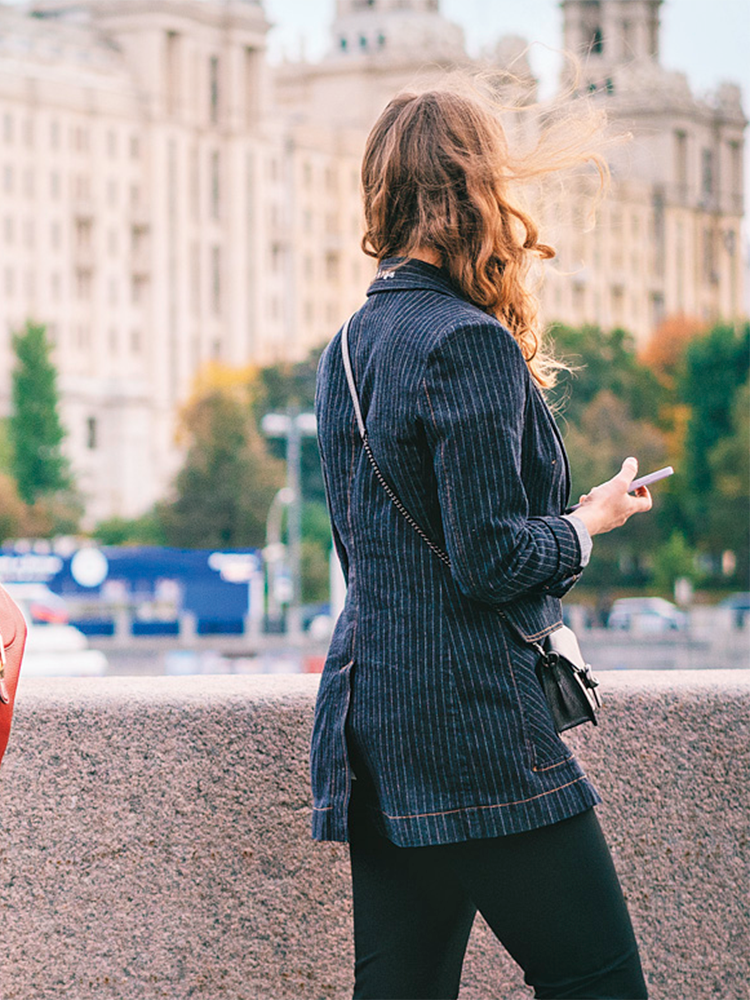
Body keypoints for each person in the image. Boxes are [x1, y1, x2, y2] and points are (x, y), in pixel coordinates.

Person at [311, 90, 654, 1000]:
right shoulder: (467, 342)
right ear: (475, 192)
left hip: (371, 715)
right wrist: (590, 523)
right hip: (472, 723)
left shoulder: (345, 347)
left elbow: (391, 548)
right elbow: (491, 561)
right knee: (601, 984)